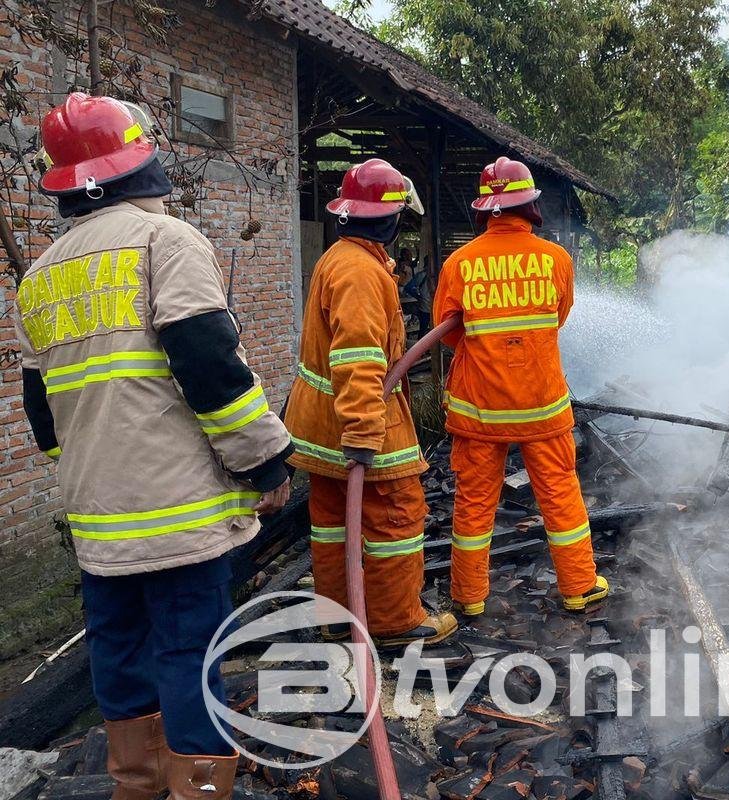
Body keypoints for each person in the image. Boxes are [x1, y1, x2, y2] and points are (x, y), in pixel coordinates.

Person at [14, 93, 293, 799]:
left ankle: (135, 785)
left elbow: (43, 421)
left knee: (119, 653)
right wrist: (264, 462)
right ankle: (199, 790)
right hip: (179, 514)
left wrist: (93, 478)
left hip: (98, 520)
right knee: (190, 654)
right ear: (145, 161)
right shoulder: (164, 243)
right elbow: (210, 370)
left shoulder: (40, 278)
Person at [284, 158, 456, 650]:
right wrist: (363, 432)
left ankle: (339, 617)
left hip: (322, 427)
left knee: (334, 524)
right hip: (356, 424)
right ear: (389, 217)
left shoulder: (344, 259)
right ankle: (393, 621)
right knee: (396, 516)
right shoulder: (359, 271)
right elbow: (358, 356)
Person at [432, 156, 607, 616]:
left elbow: (447, 333)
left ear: (485, 208)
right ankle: (578, 586)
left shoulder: (459, 264)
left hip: (479, 410)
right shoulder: (556, 260)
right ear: (530, 205)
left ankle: (469, 598)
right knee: (560, 495)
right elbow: (557, 320)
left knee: (473, 504)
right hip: (542, 407)